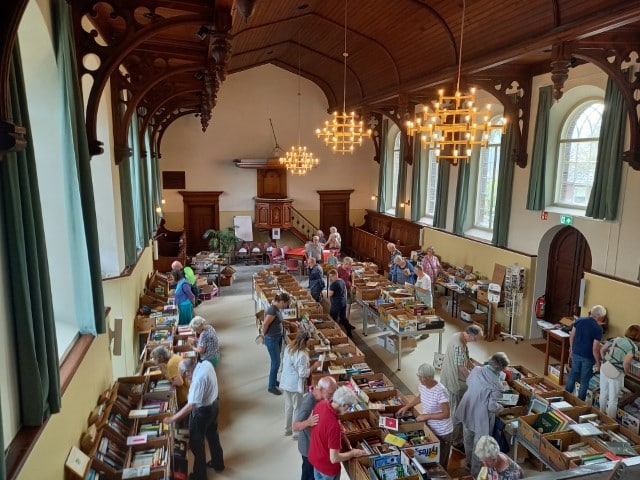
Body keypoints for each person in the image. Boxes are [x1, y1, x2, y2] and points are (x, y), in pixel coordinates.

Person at [163, 357, 224, 479]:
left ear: (188, 371)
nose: (187, 379)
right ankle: (218, 463)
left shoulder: (198, 380)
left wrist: (173, 419)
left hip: (203, 412)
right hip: (214, 405)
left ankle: (199, 476)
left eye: (185, 376)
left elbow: (191, 406)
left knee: (196, 443)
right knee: (213, 436)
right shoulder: (206, 364)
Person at [454, 352, 510, 478]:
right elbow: (491, 406)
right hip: (481, 416)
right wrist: (500, 408)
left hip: (467, 407)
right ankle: (475, 473)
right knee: (480, 446)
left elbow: (468, 382)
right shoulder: (497, 384)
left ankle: (468, 464)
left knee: (467, 438)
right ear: (501, 369)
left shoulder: (476, 370)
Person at [396, 363, 453, 469]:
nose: (420, 380)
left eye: (423, 378)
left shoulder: (440, 391)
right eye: (419, 377)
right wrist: (407, 407)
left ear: (430, 378)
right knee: (430, 457)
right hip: (430, 427)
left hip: (443, 431)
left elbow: (446, 414)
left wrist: (426, 416)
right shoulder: (423, 385)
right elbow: (421, 396)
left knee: (440, 461)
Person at [308, 386, 367, 480]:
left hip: (315, 458)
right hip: (327, 469)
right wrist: (353, 453)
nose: (348, 410)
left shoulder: (321, 404)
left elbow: (314, 427)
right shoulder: (334, 426)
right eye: (349, 407)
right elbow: (334, 458)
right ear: (343, 405)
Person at [440, 324, 484, 448]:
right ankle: (455, 440)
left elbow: (466, 360)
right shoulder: (459, 345)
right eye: (475, 339)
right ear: (469, 335)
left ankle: (456, 437)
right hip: (454, 382)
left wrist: (478, 367)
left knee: (456, 408)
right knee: (457, 411)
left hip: (449, 377)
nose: (475, 341)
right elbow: (462, 368)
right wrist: (474, 379)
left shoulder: (458, 336)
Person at [293, 377, 338, 480]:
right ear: (321, 389)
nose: (332, 397)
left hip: (316, 446)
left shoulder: (322, 398)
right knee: (308, 475)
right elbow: (295, 426)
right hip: (308, 449)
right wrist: (308, 422)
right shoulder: (308, 403)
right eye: (330, 394)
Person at [281, 330, 322, 438]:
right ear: (305, 341)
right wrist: (314, 366)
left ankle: (287, 429)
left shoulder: (289, 347)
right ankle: (296, 432)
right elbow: (303, 374)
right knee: (297, 408)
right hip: (294, 385)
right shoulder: (302, 354)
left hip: (286, 382)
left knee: (288, 407)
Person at [599, 324, 640, 418]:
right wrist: (626, 372)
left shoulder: (617, 339)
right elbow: (626, 363)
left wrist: (605, 360)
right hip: (616, 373)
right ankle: (610, 421)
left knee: (603, 393)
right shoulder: (633, 347)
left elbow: (602, 349)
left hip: (605, 367)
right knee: (613, 399)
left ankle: (600, 414)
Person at [565, 305, 605, 401]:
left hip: (576, 352)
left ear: (590, 312)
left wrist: (571, 349)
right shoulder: (598, 329)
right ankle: (580, 402)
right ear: (600, 317)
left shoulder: (579, 320)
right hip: (588, 357)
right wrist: (598, 362)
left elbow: (572, 335)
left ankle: (565, 396)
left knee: (573, 374)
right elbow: (595, 348)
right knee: (584, 380)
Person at [258, 292, 293, 395]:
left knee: (276, 362)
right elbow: (265, 324)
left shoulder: (277, 309)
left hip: (277, 338)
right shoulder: (272, 310)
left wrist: (290, 323)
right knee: (276, 362)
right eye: (286, 304)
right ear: (281, 302)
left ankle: (273, 381)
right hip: (272, 339)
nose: (286, 306)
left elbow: (279, 320)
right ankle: (271, 386)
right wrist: (262, 335)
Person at [328, 269, 352, 338]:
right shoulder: (341, 280)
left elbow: (330, 294)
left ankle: (333, 334)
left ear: (335, 275)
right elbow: (345, 290)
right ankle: (349, 332)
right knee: (343, 318)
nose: (331, 278)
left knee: (332, 319)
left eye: (331, 276)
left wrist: (330, 287)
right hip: (343, 302)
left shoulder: (334, 284)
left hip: (336, 304)